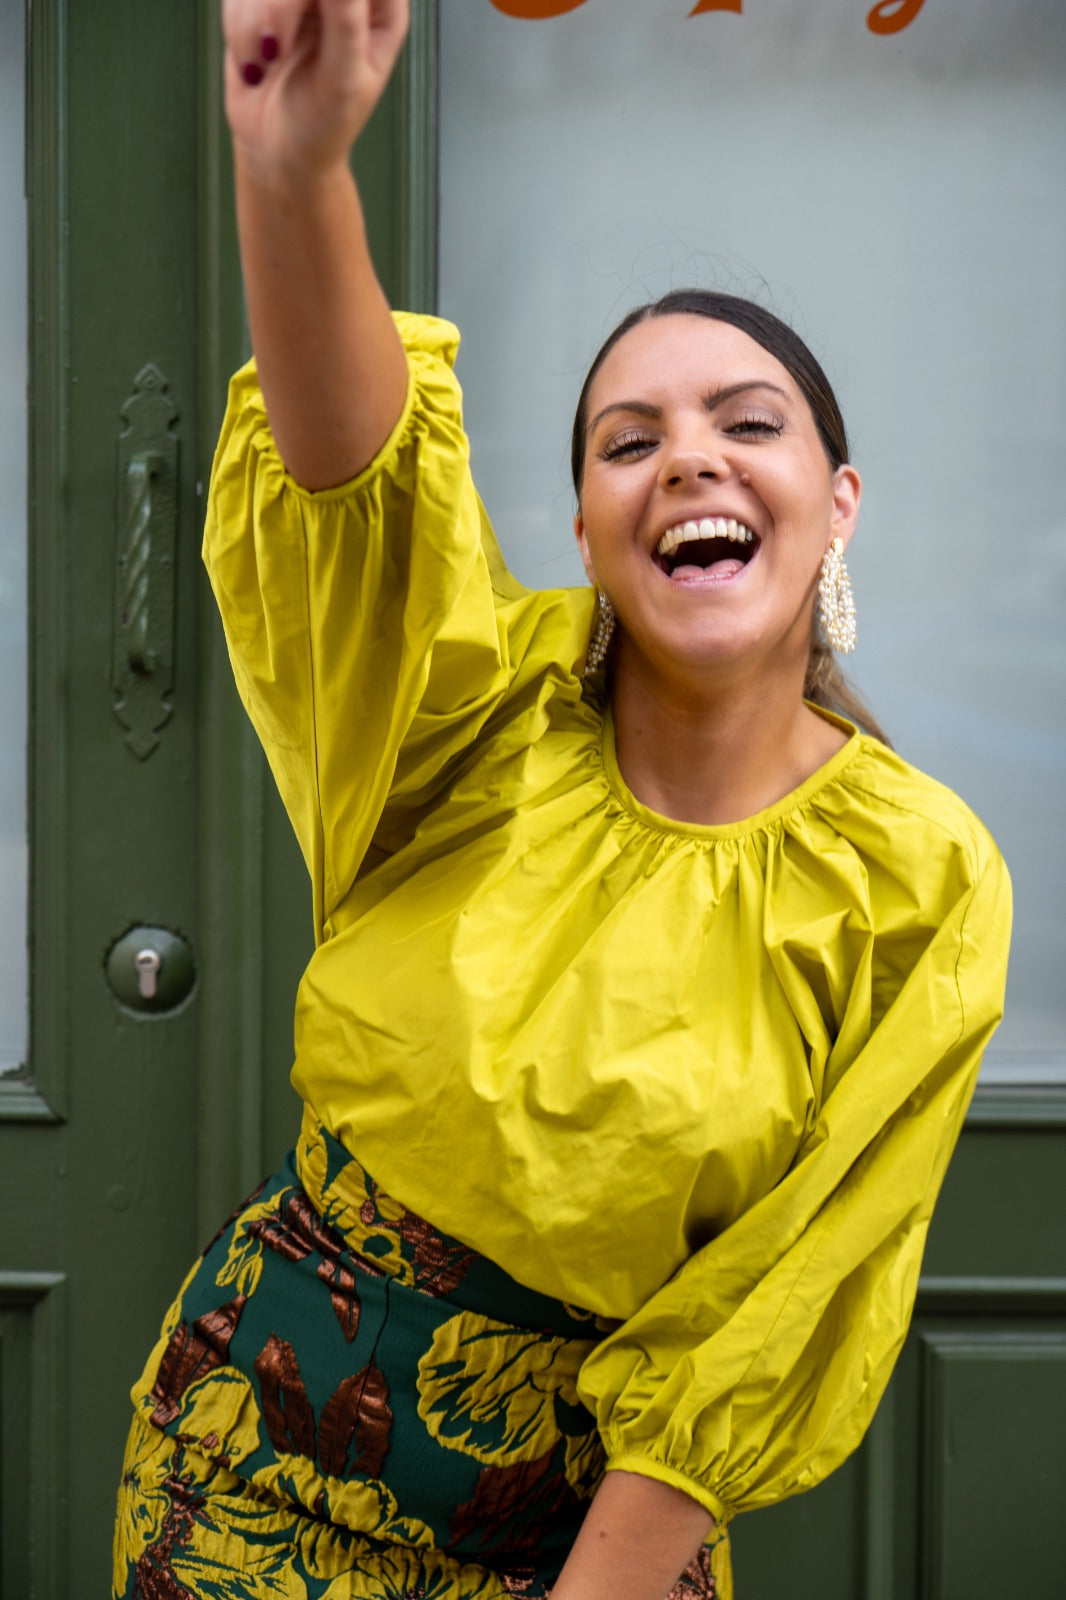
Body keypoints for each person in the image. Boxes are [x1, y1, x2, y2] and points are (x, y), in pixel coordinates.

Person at [112, 3, 1011, 1597]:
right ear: (587, 527)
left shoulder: (916, 879)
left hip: (592, 1548)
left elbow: (779, 1308)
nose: (689, 460)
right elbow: (352, 485)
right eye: (626, 441)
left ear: (836, 505)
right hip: (244, 1480)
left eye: (747, 423)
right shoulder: (468, 712)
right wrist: (293, 169)